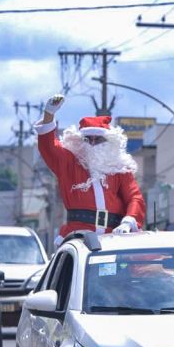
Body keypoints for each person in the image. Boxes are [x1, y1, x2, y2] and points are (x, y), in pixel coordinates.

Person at [35, 94, 145, 239]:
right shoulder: (69, 163)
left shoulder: (119, 168)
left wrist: (128, 221)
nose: (92, 144)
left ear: (108, 141)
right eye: (87, 139)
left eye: (98, 139)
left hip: (113, 237)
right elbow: (49, 147)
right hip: (77, 237)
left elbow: (134, 198)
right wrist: (49, 114)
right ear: (80, 141)